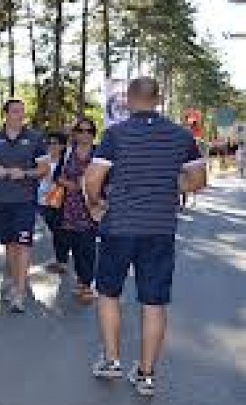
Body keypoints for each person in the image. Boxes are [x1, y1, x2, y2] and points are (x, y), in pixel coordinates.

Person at [84, 77, 207, 396]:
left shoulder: (116, 134)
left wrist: (95, 205)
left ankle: (111, 361)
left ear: (127, 100)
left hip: (119, 226)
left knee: (109, 293)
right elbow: (197, 180)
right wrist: (168, 185)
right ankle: (146, 374)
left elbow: (93, 177)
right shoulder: (181, 136)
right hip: (159, 228)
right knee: (154, 302)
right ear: (159, 99)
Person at [0, 99, 49, 313]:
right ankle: (14, 280)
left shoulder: (34, 138)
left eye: (22, 111)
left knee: (23, 244)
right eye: (15, 111)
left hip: (24, 201)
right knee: (10, 245)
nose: (20, 115)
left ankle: (19, 291)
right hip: (0, 202)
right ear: (5, 114)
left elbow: (44, 169)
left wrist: (25, 173)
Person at [57, 118, 97, 303]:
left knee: (87, 247)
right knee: (75, 246)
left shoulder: (99, 153)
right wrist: (70, 184)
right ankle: (82, 279)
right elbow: (58, 176)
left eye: (89, 131)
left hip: (92, 206)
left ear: (93, 133)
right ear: (75, 133)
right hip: (70, 207)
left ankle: (86, 284)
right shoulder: (67, 153)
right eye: (80, 130)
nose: (85, 134)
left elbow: (109, 177)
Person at [38, 131, 70, 274]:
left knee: (59, 231)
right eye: (49, 143)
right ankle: (60, 258)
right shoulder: (42, 159)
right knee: (54, 231)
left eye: (54, 143)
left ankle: (61, 261)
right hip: (43, 201)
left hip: (59, 201)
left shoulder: (67, 161)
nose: (51, 146)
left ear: (62, 146)